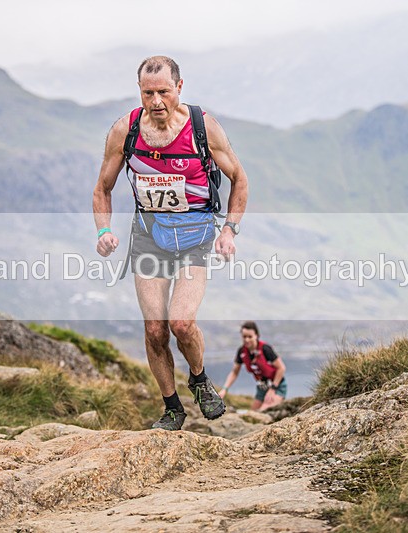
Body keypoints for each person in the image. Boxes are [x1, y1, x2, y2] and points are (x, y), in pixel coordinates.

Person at [92, 56, 249, 430]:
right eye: (148, 93)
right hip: (150, 237)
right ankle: (172, 408)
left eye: (163, 91)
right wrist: (103, 231)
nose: (156, 101)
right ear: (139, 91)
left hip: (196, 236)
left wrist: (230, 230)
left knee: (180, 322)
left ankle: (199, 379)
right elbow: (102, 189)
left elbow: (240, 179)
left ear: (179, 87)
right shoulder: (126, 131)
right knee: (155, 330)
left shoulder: (202, 128)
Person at [219, 321, 287, 411]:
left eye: (250, 337)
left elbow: (281, 368)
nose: (247, 340)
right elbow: (234, 372)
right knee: (252, 413)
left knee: (263, 412)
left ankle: (279, 400)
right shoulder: (241, 351)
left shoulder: (265, 349)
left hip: (277, 386)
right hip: (261, 387)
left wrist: (272, 389)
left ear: (256, 336)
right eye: (244, 337)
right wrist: (224, 389)